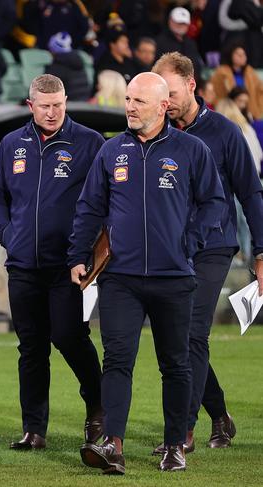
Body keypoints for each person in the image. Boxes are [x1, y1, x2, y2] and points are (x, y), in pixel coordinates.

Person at [69, 72, 226, 474]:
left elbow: (213, 203)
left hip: (174, 277)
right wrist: (77, 255)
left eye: (139, 101)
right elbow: (90, 207)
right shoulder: (111, 151)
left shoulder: (191, 149)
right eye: (128, 99)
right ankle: (113, 445)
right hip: (120, 277)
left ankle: (175, 444)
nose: (131, 107)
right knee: (117, 359)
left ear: (162, 106)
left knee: (174, 363)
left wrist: (189, 243)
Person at [152, 52, 263, 455]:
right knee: (176, 340)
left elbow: (251, 193)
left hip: (213, 245)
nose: (166, 101)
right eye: (160, 94)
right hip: (170, 249)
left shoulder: (224, 133)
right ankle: (219, 415)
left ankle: (182, 430)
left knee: (191, 333)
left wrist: (262, 252)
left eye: (172, 92)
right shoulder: (156, 133)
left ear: (192, 86)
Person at [0, 74, 104, 451]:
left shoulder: (89, 143)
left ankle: (98, 406)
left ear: (66, 102)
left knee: (69, 337)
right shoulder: (10, 146)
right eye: (44, 106)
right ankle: (34, 429)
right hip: (22, 265)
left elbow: (105, 202)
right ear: (30, 105)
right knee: (31, 347)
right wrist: (8, 235)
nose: (52, 113)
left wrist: (89, 250)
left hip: (68, 265)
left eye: (58, 105)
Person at [210, 42, 263, 120]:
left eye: (243, 54)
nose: (242, 56)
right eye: (238, 54)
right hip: (228, 111)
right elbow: (216, 92)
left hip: (249, 110)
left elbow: (259, 90)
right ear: (230, 55)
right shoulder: (221, 72)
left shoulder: (250, 71)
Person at [155, 7, 204, 79]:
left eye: (184, 23)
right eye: (178, 22)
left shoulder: (191, 43)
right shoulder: (159, 42)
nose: (181, 25)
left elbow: (197, 65)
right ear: (170, 21)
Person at [44, 31, 90, 101]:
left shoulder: (55, 69)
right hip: (84, 105)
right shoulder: (78, 62)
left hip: (69, 108)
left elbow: (43, 94)